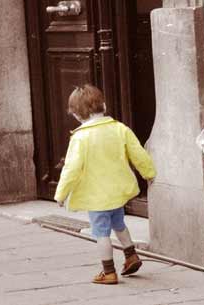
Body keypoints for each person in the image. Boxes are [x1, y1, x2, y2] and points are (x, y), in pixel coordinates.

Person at [54, 84, 156, 285]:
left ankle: (108, 271)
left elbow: (71, 169)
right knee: (119, 224)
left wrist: (61, 193)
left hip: (97, 197)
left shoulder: (80, 137)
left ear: (76, 114)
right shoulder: (120, 129)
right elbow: (138, 154)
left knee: (101, 234)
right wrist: (149, 173)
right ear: (104, 105)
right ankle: (131, 256)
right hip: (117, 193)